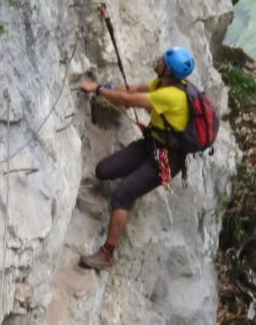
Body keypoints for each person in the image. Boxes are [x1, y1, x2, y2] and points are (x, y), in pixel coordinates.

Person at [76, 46, 195, 270]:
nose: (159, 59)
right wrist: (108, 88)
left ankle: (107, 254)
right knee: (104, 171)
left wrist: (99, 90)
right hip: (152, 145)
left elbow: (128, 102)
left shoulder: (170, 95)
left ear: (168, 71)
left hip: (168, 159)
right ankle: (141, 178)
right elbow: (131, 91)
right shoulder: (163, 83)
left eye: (164, 60)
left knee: (123, 195)